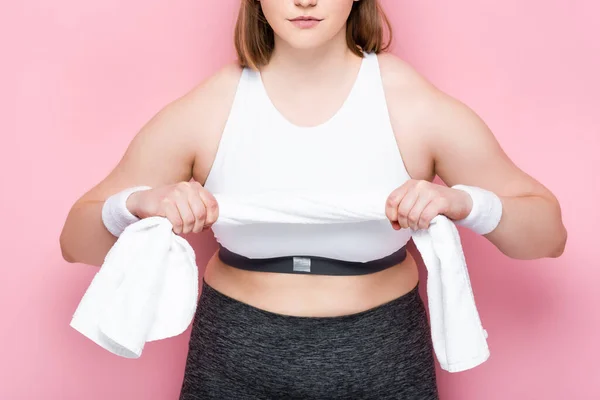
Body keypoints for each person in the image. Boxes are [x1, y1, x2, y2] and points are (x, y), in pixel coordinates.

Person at [60, 0, 567, 398]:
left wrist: (464, 203)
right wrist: (136, 204)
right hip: (235, 358)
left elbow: (546, 234)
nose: (305, 0)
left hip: (381, 357)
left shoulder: (411, 104)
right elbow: (76, 242)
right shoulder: (210, 107)